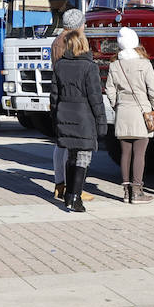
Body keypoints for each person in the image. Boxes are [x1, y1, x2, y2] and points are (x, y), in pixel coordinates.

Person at [50, 28, 107, 212]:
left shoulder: (59, 66)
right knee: (83, 156)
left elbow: (54, 96)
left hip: (64, 113)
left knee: (71, 154)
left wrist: (55, 116)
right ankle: (75, 196)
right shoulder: (89, 67)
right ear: (83, 44)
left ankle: (68, 194)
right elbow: (95, 98)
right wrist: (101, 122)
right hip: (83, 116)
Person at [103, 27, 154, 204]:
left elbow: (110, 90)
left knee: (125, 153)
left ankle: (126, 192)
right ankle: (137, 191)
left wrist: (116, 105)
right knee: (140, 153)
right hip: (142, 113)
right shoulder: (144, 64)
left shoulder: (114, 64)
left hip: (123, 112)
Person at [48, 9, 93, 203]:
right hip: (72, 101)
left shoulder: (56, 40)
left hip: (61, 99)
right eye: (83, 23)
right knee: (71, 148)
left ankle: (61, 185)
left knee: (62, 144)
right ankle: (71, 187)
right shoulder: (71, 41)